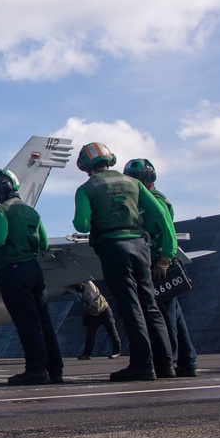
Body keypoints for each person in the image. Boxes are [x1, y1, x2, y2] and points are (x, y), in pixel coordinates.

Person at [73, 142, 175, 382]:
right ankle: (166, 365)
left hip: (113, 247)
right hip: (140, 247)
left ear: (85, 165)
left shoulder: (86, 189)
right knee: (150, 305)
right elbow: (159, 214)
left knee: (130, 306)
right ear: (110, 159)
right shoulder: (135, 183)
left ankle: (142, 365)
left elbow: (81, 225)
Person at [0, 168, 63, 385]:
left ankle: (36, 369)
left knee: (27, 322)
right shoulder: (31, 212)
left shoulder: (2, 212)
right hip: (34, 269)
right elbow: (44, 243)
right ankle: (55, 369)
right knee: (43, 320)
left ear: (4, 187)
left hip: (13, 271)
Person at [124, 158, 198, 378]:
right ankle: (187, 361)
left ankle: (168, 359)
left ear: (144, 179)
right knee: (173, 313)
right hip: (157, 261)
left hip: (158, 264)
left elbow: (168, 231)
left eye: (134, 179)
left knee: (164, 315)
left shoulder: (154, 201)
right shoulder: (152, 198)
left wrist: (164, 260)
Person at [65, 282, 121, 359]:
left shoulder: (90, 288)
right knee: (90, 334)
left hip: (104, 311)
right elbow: (67, 288)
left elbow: (88, 281)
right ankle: (87, 354)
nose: (75, 289)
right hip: (94, 315)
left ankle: (117, 351)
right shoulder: (79, 292)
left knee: (112, 331)